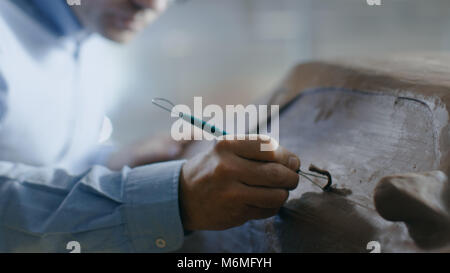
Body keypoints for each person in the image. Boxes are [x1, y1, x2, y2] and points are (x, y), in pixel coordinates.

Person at [0, 0, 301, 252]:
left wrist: (116, 161)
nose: (151, 4)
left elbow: (47, 163)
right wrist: (172, 202)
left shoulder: (92, 41)